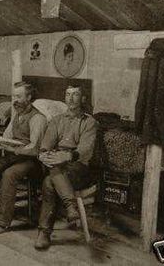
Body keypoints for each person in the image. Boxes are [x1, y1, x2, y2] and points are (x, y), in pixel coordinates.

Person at [0, 81, 47, 235]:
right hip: (14, 156)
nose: (15, 100)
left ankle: (3, 222)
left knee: (9, 174)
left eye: (19, 96)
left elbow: (34, 148)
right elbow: (7, 136)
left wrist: (11, 148)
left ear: (29, 97)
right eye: (13, 97)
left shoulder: (38, 118)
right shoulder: (17, 114)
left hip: (32, 161)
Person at [34, 85, 98, 250]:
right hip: (58, 162)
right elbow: (47, 142)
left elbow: (86, 148)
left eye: (75, 94)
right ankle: (71, 207)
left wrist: (68, 156)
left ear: (83, 99)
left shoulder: (90, 122)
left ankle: (44, 232)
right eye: (68, 94)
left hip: (79, 167)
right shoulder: (56, 120)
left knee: (49, 181)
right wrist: (43, 154)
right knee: (51, 177)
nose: (71, 98)